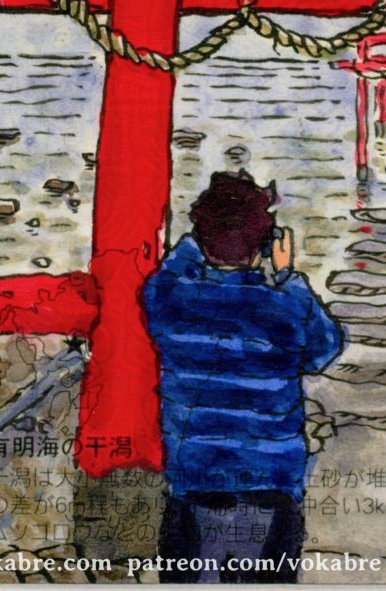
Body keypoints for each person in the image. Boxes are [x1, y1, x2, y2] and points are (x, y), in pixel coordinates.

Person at [141, 170, 343, 583]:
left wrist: (193, 243)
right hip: (272, 480)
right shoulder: (286, 304)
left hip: (194, 478)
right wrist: (288, 276)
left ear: (201, 235)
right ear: (264, 241)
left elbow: (162, 278)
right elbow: (325, 349)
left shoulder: (172, 297)